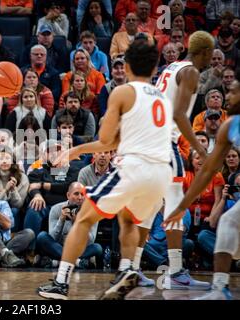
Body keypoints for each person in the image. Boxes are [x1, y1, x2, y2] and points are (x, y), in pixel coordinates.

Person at [37, 38, 173, 300]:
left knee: (85, 217)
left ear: (128, 65)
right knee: (128, 217)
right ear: (155, 67)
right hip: (160, 175)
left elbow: (109, 141)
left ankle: (61, 283)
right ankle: (125, 270)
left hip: (135, 167)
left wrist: (75, 150)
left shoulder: (123, 91)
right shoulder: (163, 99)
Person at [132, 32, 216, 291]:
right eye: (211, 54)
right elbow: (179, 115)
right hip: (163, 144)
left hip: (150, 140)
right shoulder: (190, 72)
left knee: (151, 205)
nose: (212, 58)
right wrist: (201, 151)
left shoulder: (172, 66)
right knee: (176, 205)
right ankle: (177, 270)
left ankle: (131, 268)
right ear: (205, 52)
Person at [164, 72, 240, 300]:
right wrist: (181, 206)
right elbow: (207, 170)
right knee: (227, 222)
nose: (228, 96)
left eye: (234, 92)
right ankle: (219, 289)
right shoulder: (228, 127)